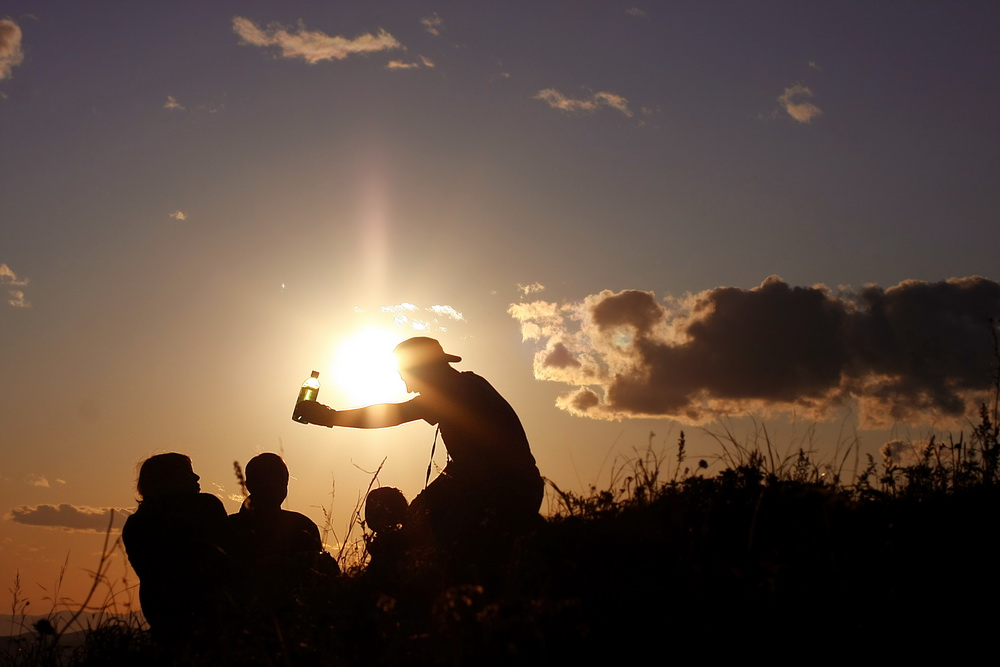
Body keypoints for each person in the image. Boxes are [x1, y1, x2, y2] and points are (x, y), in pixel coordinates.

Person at [295, 337, 544, 550]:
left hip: (506, 493)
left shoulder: (456, 391)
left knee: (432, 533)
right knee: (420, 513)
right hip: (510, 487)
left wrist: (329, 417)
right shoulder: (467, 386)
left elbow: (393, 414)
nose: (406, 386)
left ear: (423, 369)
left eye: (405, 374)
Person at [122, 453, 230, 646]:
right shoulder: (206, 507)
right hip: (211, 620)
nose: (196, 477)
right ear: (166, 479)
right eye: (186, 472)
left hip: (165, 621)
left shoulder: (138, 523)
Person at [228, 453, 334, 613]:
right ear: (250, 485)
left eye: (282, 480)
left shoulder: (302, 525)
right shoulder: (230, 527)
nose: (278, 486)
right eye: (269, 479)